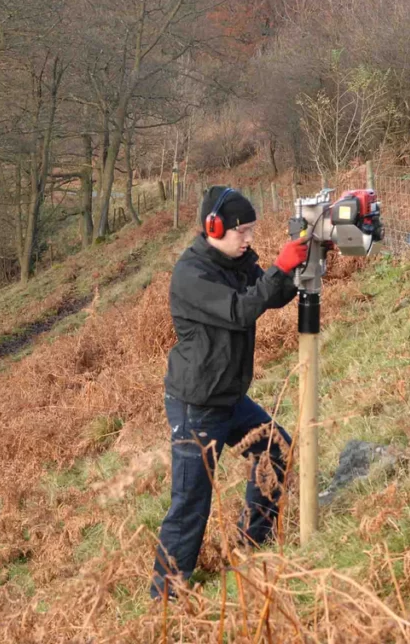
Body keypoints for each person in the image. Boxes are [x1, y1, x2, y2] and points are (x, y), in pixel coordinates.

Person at [150, 185, 309, 600]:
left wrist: (297, 267)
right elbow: (240, 311)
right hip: (196, 404)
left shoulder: (236, 262)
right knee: (191, 502)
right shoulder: (192, 275)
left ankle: (252, 542)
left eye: (252, 231)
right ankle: (165, 599)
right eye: (243, 232)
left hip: (228, 398)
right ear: (214, 227)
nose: (249, 239)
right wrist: (279, 266)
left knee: (275, 450)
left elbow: (267, 297)